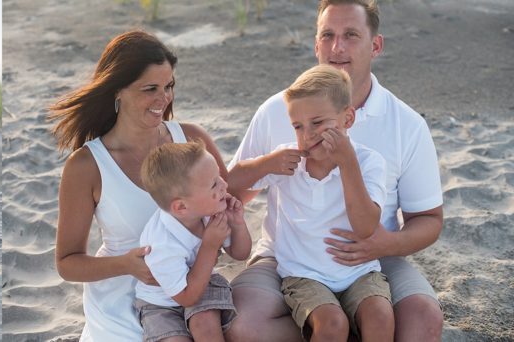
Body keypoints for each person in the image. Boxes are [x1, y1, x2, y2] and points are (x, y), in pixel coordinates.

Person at [225, 1, 445, 340]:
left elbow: (429, 218)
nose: (337, 47)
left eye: (351, 35)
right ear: (316, 44)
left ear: (376, 45)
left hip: (373, 257)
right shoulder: (278, 110)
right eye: (327, 35)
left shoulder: (407, 125)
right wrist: (264, 166)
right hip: (290, 258)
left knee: (423, 319)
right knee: (242, 325)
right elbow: (233, 190)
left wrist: (386, 244)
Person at [50, 30, 230, 341]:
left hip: (194, 285)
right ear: (117, 89)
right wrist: (127, 265)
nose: (164, 99)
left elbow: (229, 197)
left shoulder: (190, 138)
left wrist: (265, 167)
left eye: (169, 86)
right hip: (122, 298)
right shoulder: (86, 166)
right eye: (150, 89)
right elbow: (67, 264)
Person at [255, 65, 393, 341]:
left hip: (359, 272)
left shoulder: (368, 162)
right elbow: (232, 181)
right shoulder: (288, 161)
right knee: (332, 325)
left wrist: (347, 162)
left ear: (348, 118)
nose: (308, 135)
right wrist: (263, 164)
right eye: (298, 126)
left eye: (318, 123)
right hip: (304, 274)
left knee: (380, 317)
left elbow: (366, 227)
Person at [134, 142, 251, 342]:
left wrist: (238, 224)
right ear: (181, 207)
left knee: (205, 325)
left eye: (219, 178)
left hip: (203, 283)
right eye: (214, 184)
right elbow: (187, 297)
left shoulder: (209, 212)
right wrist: (210, 245)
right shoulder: (161, 244)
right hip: (160, 303)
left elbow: (241, 254)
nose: (224, 184)